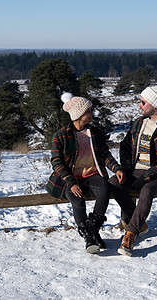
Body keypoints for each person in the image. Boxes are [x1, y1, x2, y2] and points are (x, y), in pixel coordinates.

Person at [46, 92, 126, 254]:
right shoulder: (60, 136)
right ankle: (90, 237)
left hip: (92, 175)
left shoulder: (95, 132)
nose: (92, 113)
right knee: (77, 199)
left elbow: (104, 155)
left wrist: (116, 168)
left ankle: (91, 233)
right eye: (88, 111)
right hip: (70, 179)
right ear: (78, 115)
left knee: (105, 188)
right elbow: (56, 162)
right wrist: (71, 182)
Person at [109, 85, 157, 257]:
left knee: (147, 189)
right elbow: (126, 146)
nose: (140, 105)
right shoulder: (138, 123)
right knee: (113, 183)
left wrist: (147, 176)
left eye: (143, 102)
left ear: (154, 104)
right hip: (136, 170)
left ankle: (131, 234)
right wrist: (125, 169)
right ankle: (139, 223)